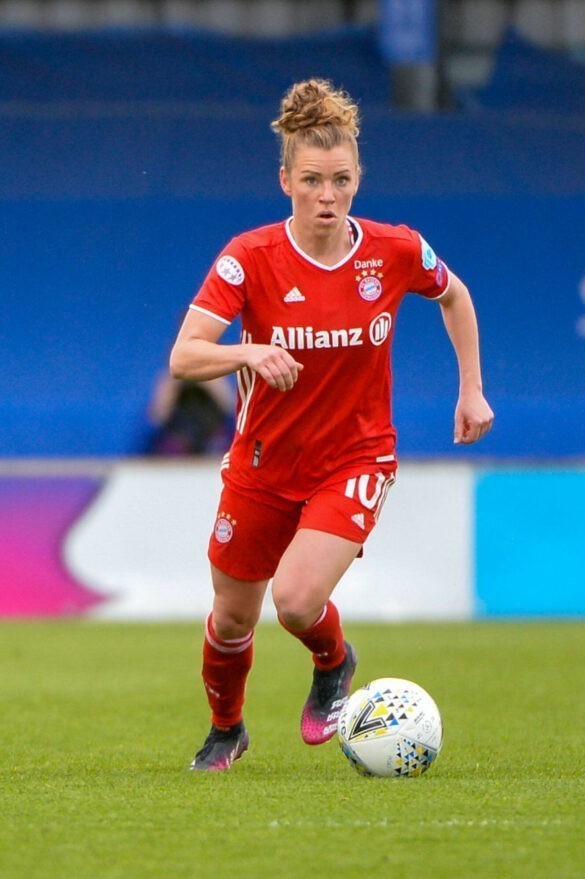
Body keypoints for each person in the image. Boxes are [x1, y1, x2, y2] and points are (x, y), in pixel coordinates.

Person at [169, 79, 493, 771]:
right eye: (312, 179)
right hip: (261, 463)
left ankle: (334, 660)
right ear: (285, 178)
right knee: (231, 617)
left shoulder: (394, 250)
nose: (327, 195)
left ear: (357, 180)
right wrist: (247, 349)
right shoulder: (249, 257)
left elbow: (456, 294)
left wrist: (471, 389)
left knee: (294, 599)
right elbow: (185, 354)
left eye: (341, 180)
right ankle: (227, 729)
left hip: (356, 458)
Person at [144, 371, 235, 456]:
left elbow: (231, 410)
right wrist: (172, 387)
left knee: (220, 445)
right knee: (171, 447)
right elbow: (157, 418)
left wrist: (211, 381)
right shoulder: (169, 381)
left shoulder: (216, 377)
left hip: (211, 435)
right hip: (179, 437)